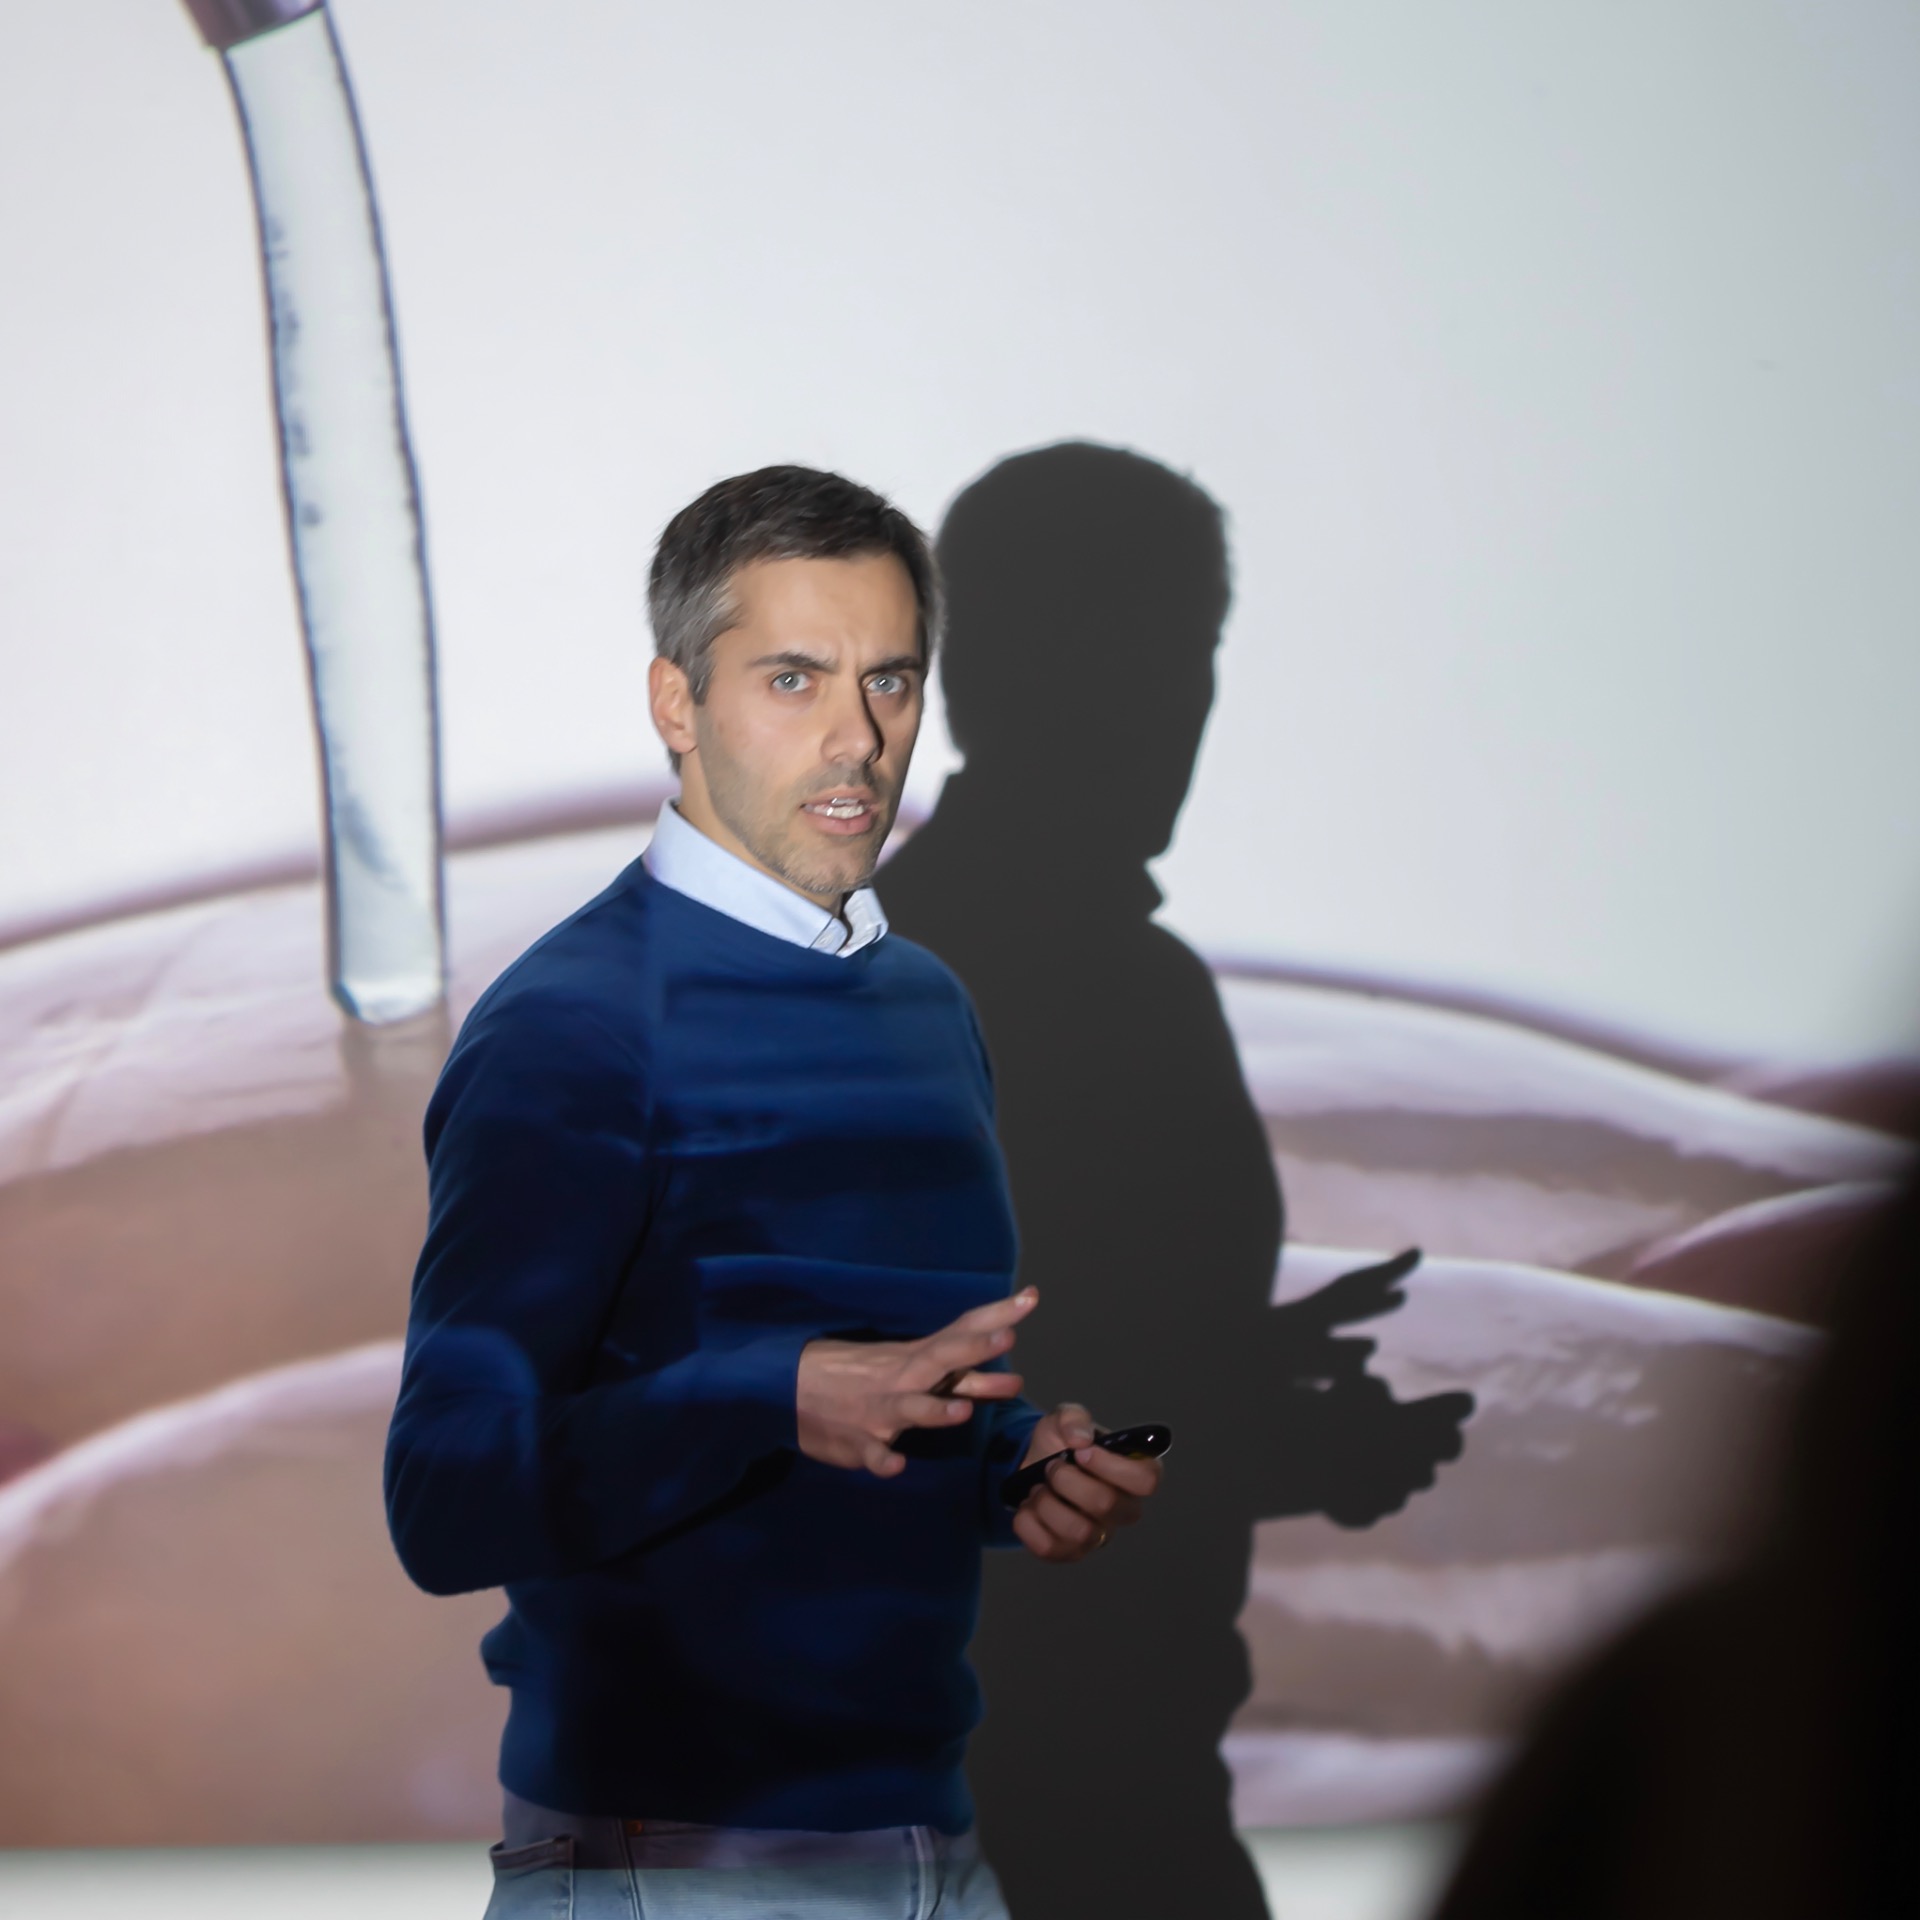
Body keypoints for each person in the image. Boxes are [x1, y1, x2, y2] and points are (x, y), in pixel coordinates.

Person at [383, 465, 1163, 1919]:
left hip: (934, 1851)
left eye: (890, 681)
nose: (857, 737)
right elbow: (444, 1493)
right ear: (676, 704)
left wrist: (1016, 1473)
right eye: (793, 679)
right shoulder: (574, 1027)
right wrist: (773, 1396)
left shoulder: (927, 1007)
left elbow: (869, 1410)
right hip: (673, 1862)